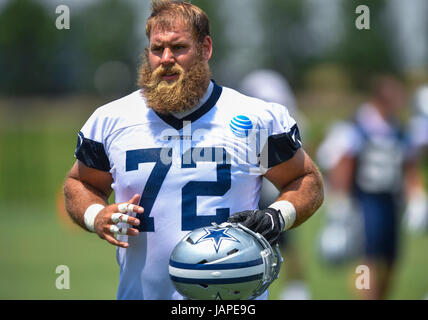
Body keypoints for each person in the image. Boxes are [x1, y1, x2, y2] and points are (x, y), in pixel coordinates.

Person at [63, 0, 324, 300]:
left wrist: (276, 217)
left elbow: (306, 180)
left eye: (178, 47)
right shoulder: (113, 120)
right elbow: (80, 182)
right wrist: (96, 215)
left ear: (206, 48)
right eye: (157, 48)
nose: (166, 58)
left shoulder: (253, 119)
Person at [316, 75, 422, 299]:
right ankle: (365, 296)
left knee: (391, 258)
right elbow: (344, 163)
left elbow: (409, 165)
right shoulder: (358, 125)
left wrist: (417, 196)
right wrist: (340, 201)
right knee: (367, 257)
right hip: (364, 201)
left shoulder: (398, 128)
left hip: (392, 201)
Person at [239, 69, 311, 300]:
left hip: (272, 192)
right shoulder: (240, 124)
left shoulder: (286, 122)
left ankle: (296, 287)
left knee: (283, 241)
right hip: (255, 191)